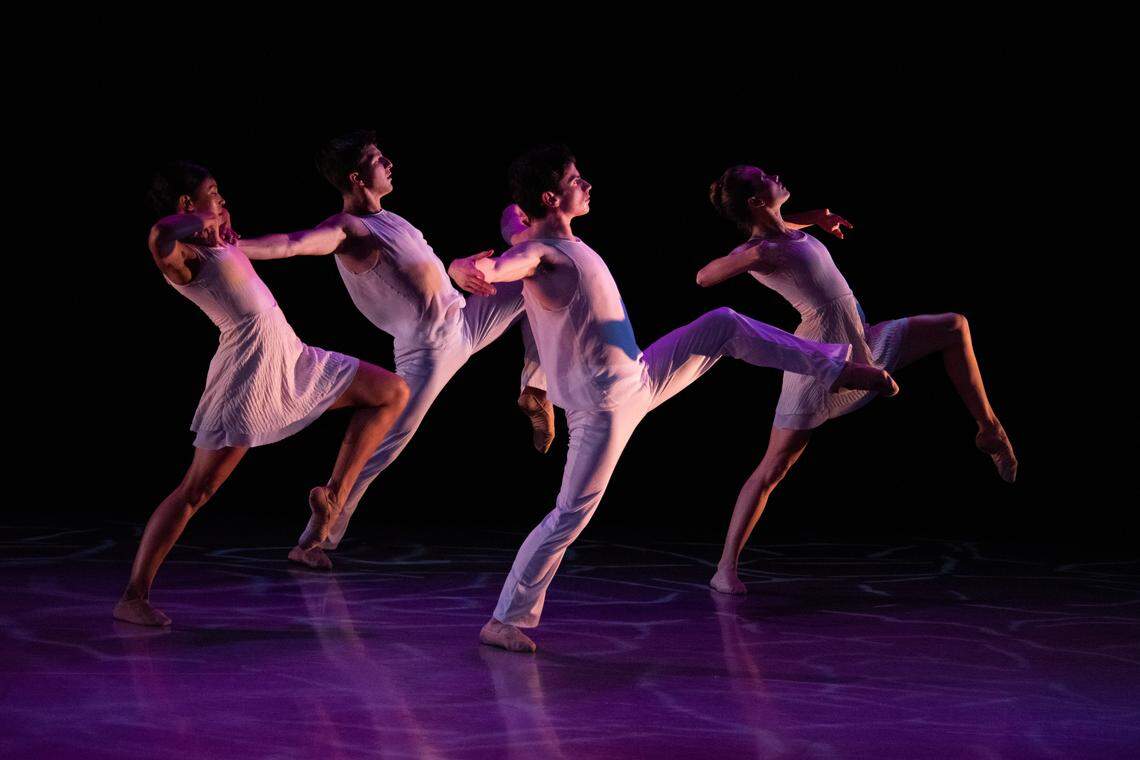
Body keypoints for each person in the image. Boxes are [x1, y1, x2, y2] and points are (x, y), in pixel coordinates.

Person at [470, 145, 897, 652]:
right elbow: (506, 265)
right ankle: (503, 620)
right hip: (603, 406)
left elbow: (510, 221)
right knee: (570, 513)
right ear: (551, 196)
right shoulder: (538, 252)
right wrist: (467, 270)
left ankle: (838, 366)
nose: (586, 185)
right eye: (575, 179)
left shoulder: (539, 237)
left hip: (639, 375)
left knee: (723, 324)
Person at [238, 131, 552, 570]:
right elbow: (292, 244)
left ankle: (534, 389)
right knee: (384, 445)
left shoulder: (393, 218)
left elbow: (426, 276)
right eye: (376, 158)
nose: (388, 162)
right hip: (428, 351)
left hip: (462, 319)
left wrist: (459, 270)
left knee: (542, 276)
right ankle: (314, 538)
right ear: (356, 176)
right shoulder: (349, 230)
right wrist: (233, 247)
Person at [113, 162, 409, 627]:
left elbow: (275, 247)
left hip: (291, 357)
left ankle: (332, 499)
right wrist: (200, 223)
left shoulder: (220, 243)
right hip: (247, 374)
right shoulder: (186, 257)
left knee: (391, 391)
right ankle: (134, 595)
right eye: (214, 193)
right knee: (197, 491)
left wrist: (219, 228)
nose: (223, 201)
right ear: (189, 205)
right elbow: (157, 236)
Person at [702, 164, 1017, 595]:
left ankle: (989, 429)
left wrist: (816, 217)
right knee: (774, 466)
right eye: (764, 177)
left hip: (860, 337)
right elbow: (704, 277)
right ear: (756, 200)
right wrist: (749, 256)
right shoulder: (762, 247)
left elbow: (790, 228)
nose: (775, 174)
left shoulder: (787, 229)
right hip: (818, 355)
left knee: (954, 326)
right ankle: (725, 569)